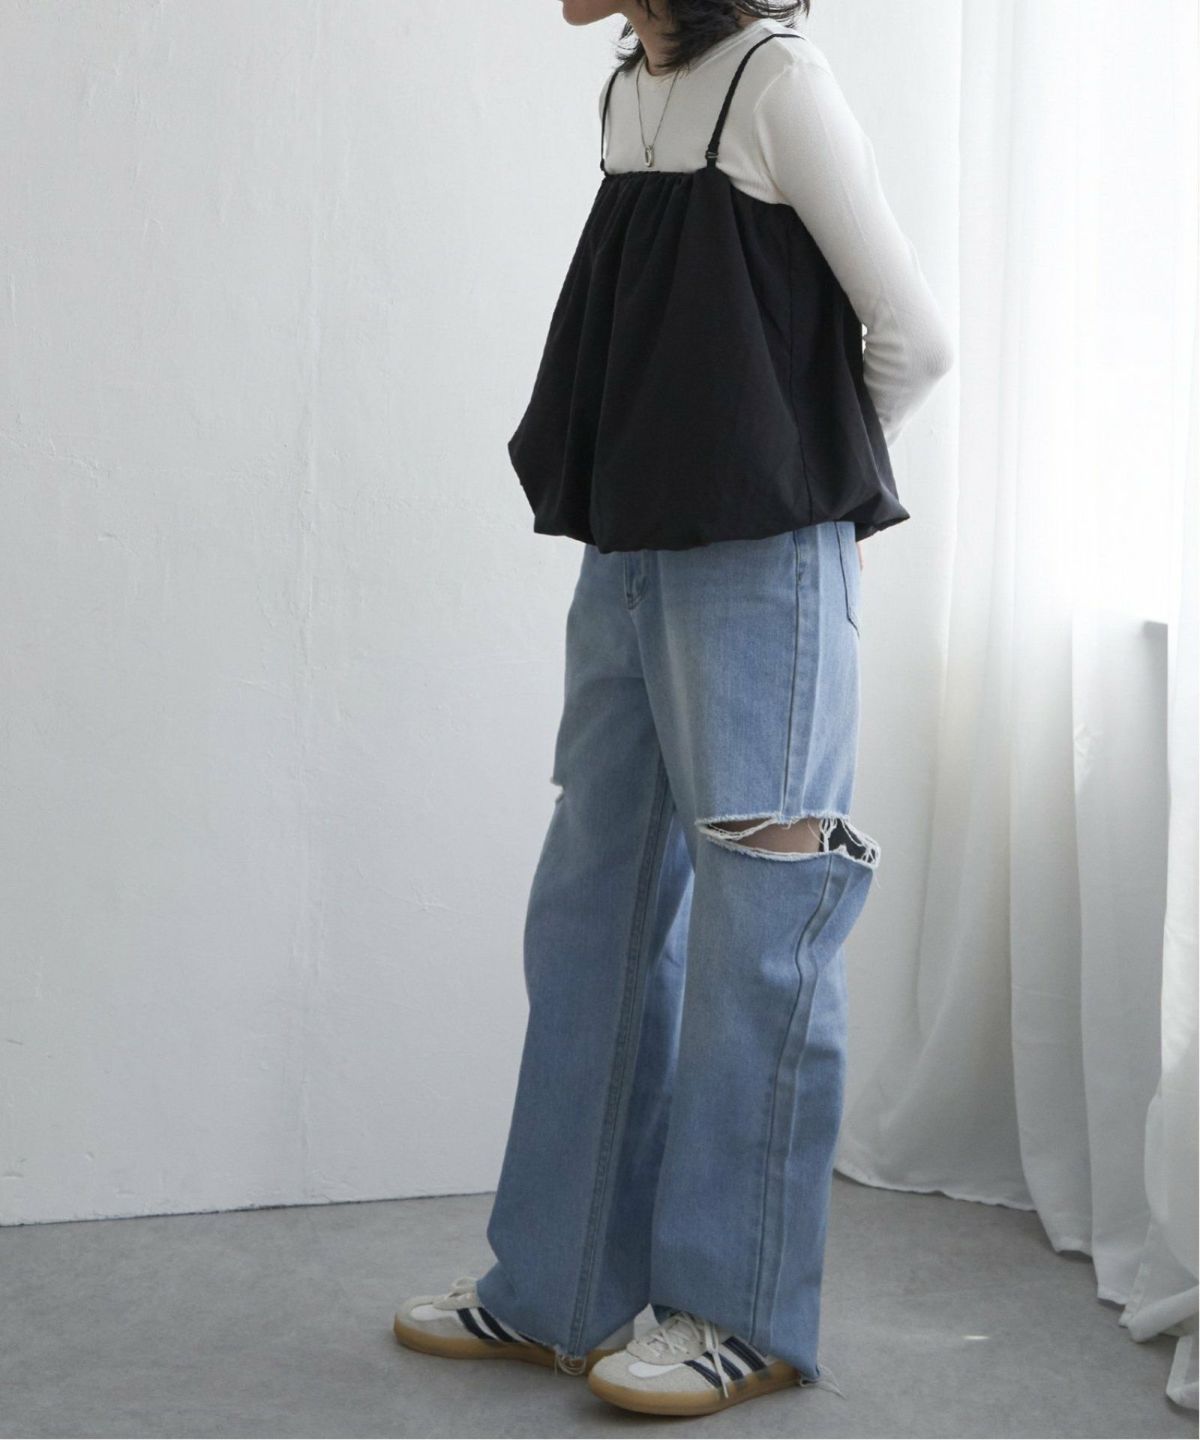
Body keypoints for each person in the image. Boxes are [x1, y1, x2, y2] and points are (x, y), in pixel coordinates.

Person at [393, 0, 954, 1419]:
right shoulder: (633, 93)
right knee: (594, 904)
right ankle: (556, 1286)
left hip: (762, 563)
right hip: (629, 555)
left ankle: (741, 1314)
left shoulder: (777, 84)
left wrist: (801, 481)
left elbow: (913, 337)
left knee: (762, 926)